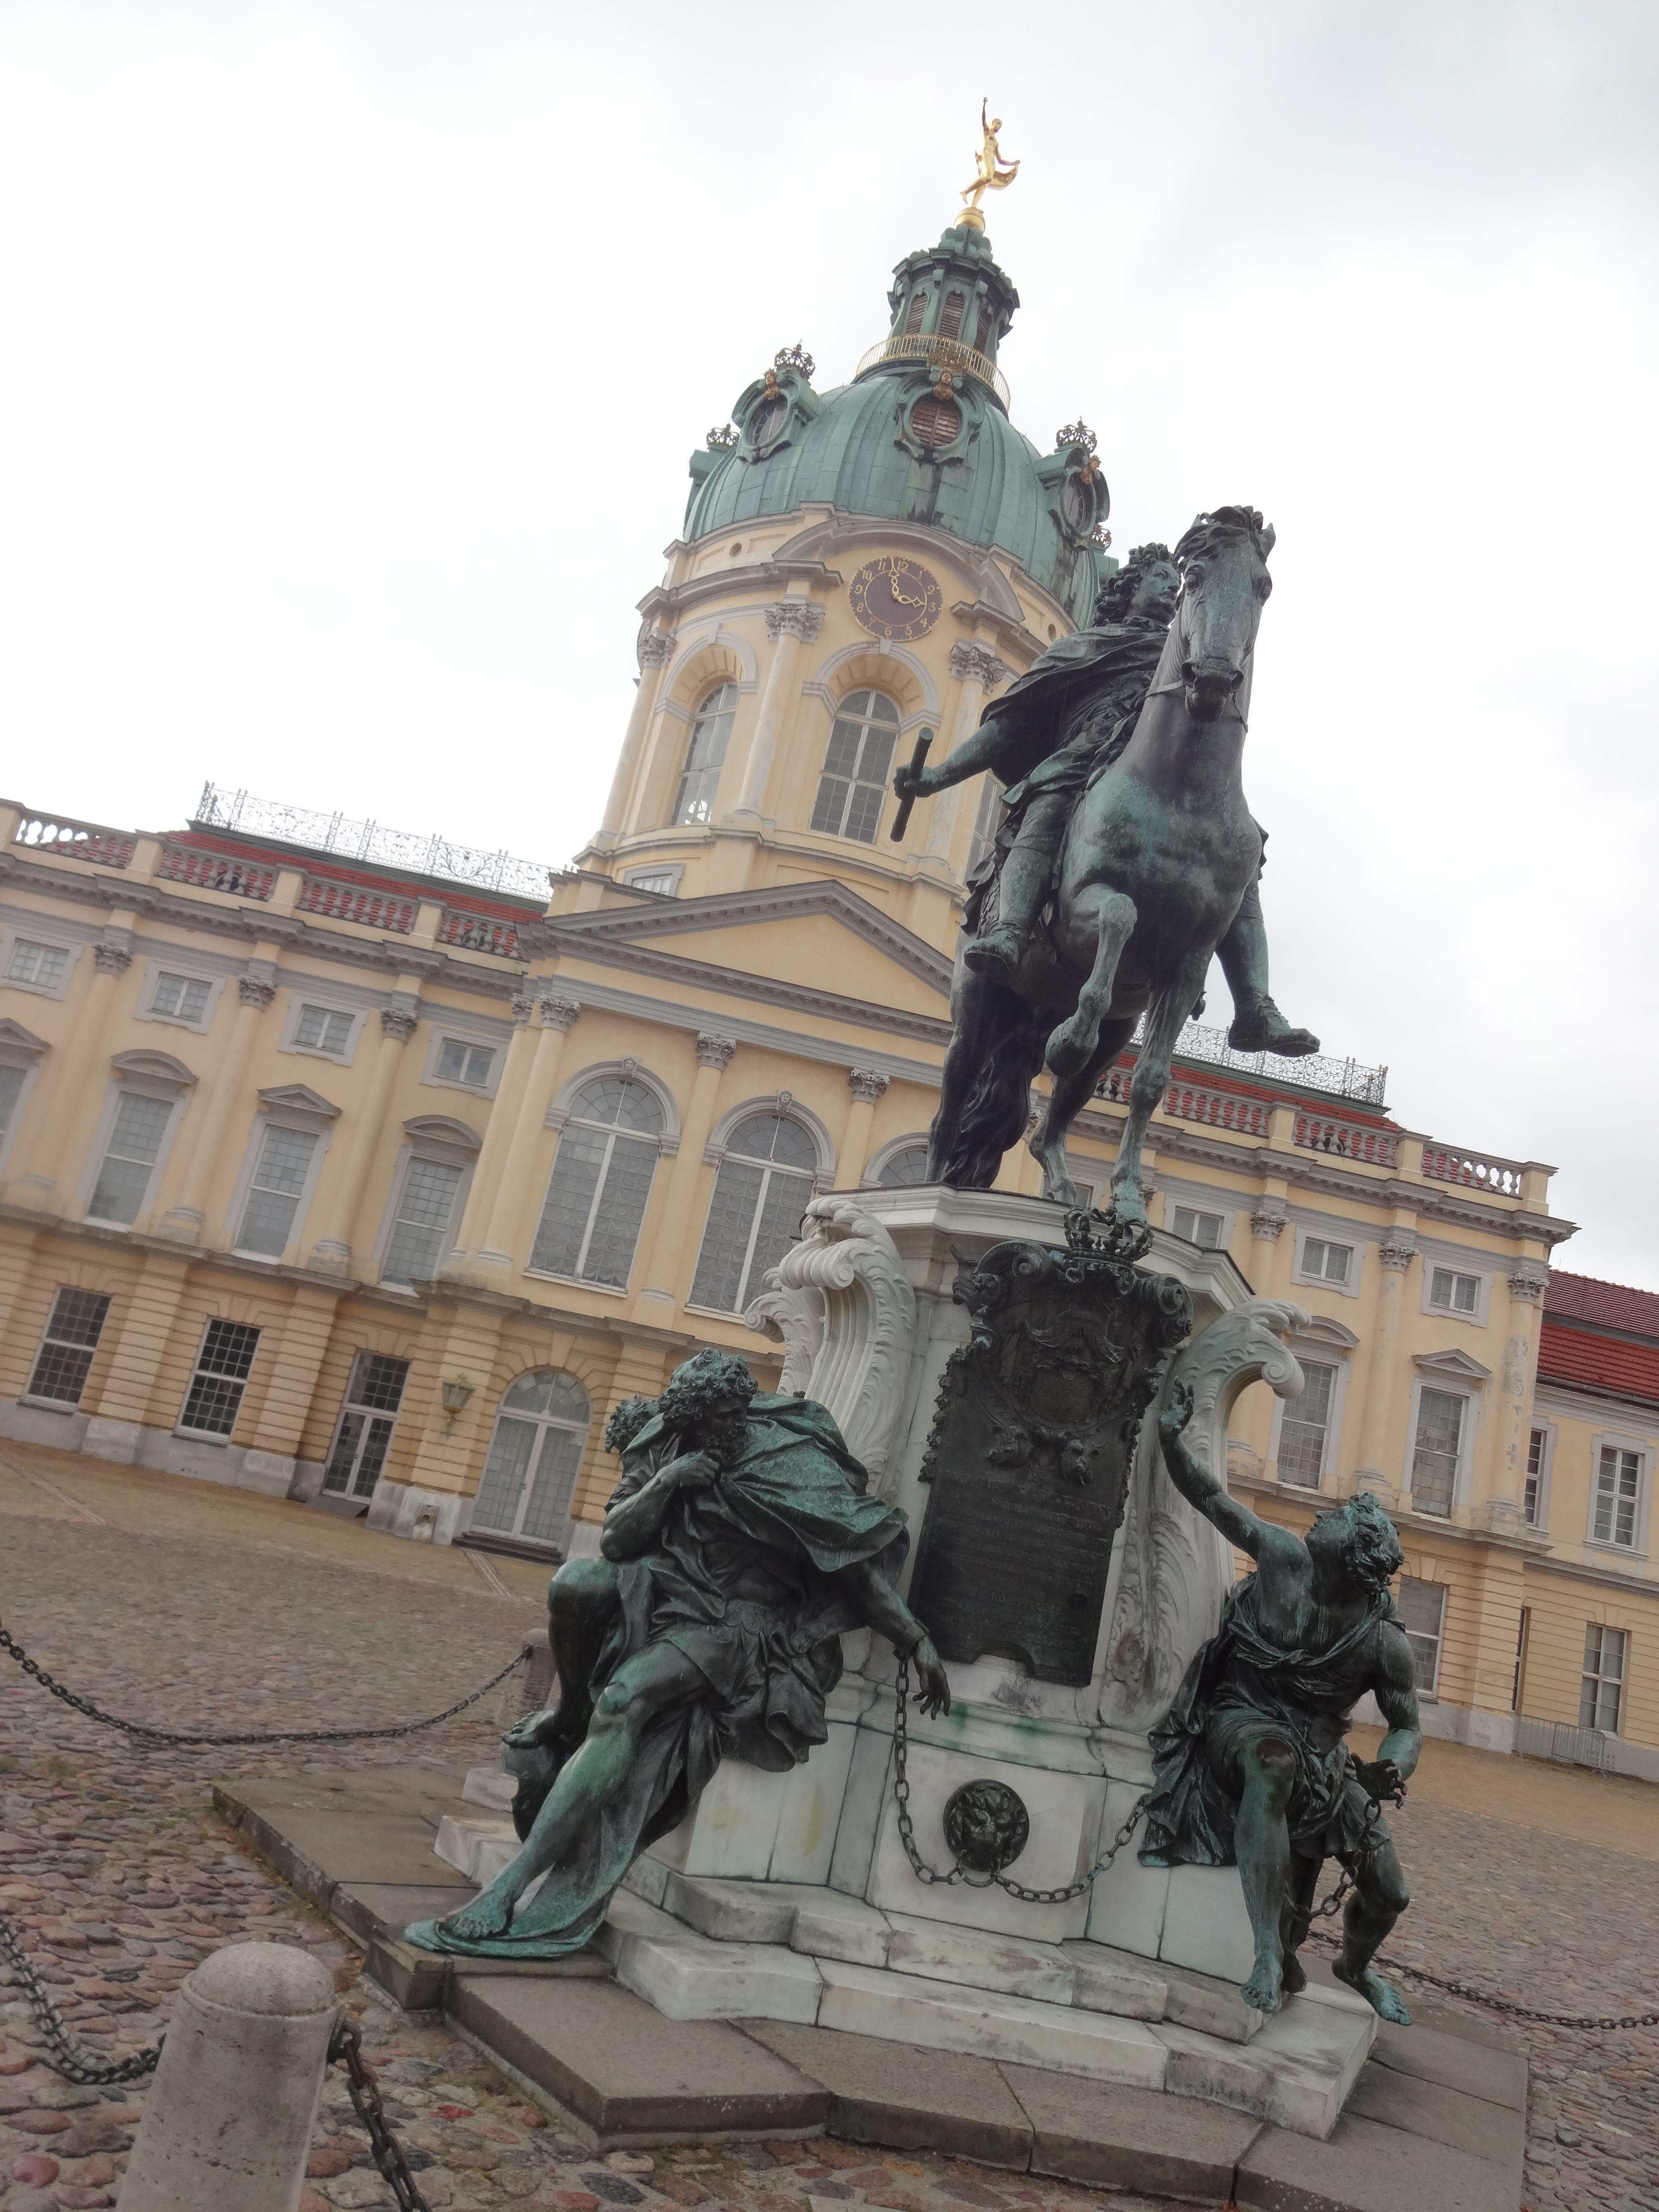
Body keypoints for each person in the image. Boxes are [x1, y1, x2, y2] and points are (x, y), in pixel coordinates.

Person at [406, 1350, 950, 1959]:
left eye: (709, 1426)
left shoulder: (791, 1458)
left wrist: (915, 1640)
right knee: (575, 1585)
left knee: (624, 1700)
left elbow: (857, 1569)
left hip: (734, 1621)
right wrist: (667, 1483)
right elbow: (616, 1540)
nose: (694, 1437)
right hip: (663, 1589)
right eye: (686, 1426)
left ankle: (510, 1889)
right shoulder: (671, 1441)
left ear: (734, 1413)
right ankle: (568, 1726)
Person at [894, 544, 1317, 1058]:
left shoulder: (1183, 649)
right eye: (1159, 578)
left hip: (1160, 778)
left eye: (1174, 582)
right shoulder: (1088, 647)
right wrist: (937, 776)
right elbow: (1008, 727)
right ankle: (1009, 931)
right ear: (1129, 589)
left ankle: (1254, 1003)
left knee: (1240, 850)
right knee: (1050, 800)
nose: (1170, 588)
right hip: (1083, 760)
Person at [1138, 1378, 1421, 2022]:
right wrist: (1173, 1436)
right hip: (1244, 1720)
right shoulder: (1282, 1559)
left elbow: (1407, 1726)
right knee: (1273, 1765)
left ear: (1352, 1558)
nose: (1324, 1514)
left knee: (1390, 1891)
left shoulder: (1382, 1644)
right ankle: (1267, 1951)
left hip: (1325, 1756)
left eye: (1341, 1517)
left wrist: (1393, 1768)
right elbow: (1212, 1499)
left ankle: (1354, 1967)